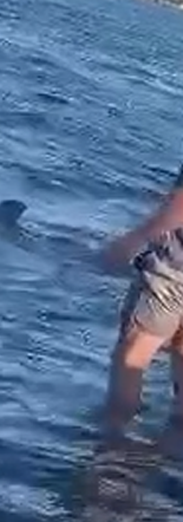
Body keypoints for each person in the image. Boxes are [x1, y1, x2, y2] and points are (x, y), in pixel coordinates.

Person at [100, 166, 183, 430]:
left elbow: (180, 208)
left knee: (133, 354)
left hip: (176, 268)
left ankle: (114, 447)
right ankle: (171, 450)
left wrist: (132, 240)